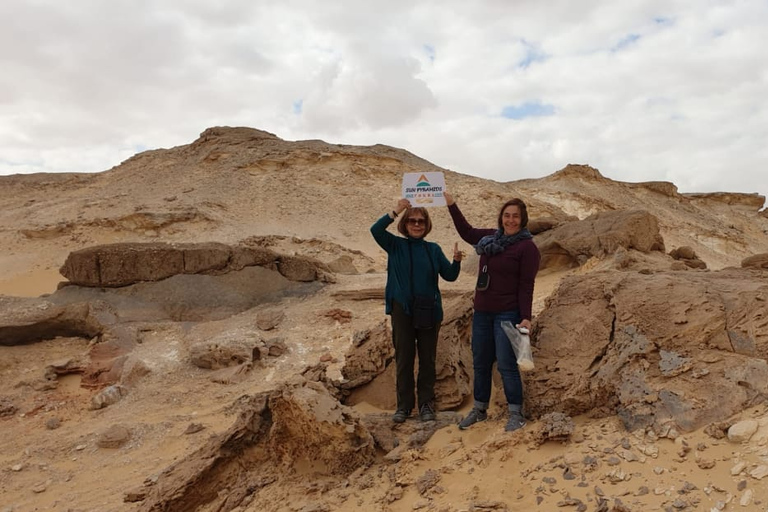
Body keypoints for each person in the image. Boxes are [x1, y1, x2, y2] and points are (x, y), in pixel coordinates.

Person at [444, 192, 540, 432]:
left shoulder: (527, 248)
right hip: (482, 313)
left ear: (523, 219)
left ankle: (516, 413)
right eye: (506, 216)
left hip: (507, 314)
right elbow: (466, 232)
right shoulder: (489, 238)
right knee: (481, 362)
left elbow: (526, 285)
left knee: (507, 364)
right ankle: (479, 409)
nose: (510, 220)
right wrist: (452, 205)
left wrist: (526, 316)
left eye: (515, 216)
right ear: (501, 218)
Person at [371, 198, 463, 423]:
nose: (416, 224)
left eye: (421, 221)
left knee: (427, 360)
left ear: (427, 224)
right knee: (404, 358)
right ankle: (403, 407)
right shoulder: (395, 245)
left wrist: (456, 261)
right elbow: (375, 229)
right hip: (401, 309)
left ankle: (426, 405)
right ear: (405, 224)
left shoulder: (433, 249)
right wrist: (396, 210)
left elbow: (450, 276)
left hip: (428, 310)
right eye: (412, 220)